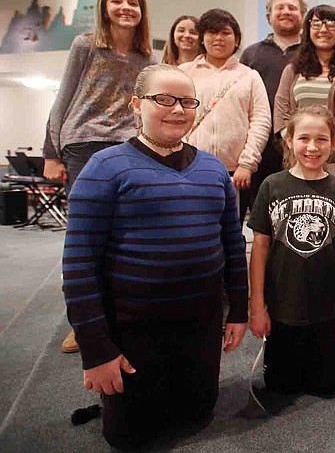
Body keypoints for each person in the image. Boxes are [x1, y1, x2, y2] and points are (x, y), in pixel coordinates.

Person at [61, 64, 248, 449]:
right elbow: (79, 268)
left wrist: (240, 311)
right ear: (136, 105)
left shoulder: (213, 170)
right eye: (163, 99)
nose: (177, 110)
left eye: (186, 101)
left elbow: (232, 246)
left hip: (200, 328)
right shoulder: (104, 169)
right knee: (130, 436)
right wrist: (96, 350)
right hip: (133, 333)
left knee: (198, 417)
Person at [43, 0, 156, 354]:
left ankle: (116, 315)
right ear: (105, 8)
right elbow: (63, 99)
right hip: (83, 143)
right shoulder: (85, 45)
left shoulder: (147, 59)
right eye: (117, 1)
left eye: (133, 2)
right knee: (84, 239)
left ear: (142, 12)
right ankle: (83, 324)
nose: (126, 8)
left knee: (123, 236)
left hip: (127, 147)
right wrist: (51, 152)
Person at [248, 105, 335, 395]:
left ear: (333, 142)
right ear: (289, 140)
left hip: (326, 309)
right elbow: (259, 249)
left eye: (322, 139)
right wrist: (257, 305)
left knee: (327, 386)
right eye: (304, 138)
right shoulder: (271, 186)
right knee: (280, 387)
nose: (312, 147)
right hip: (282, 307)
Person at [180, 8, 271, 226]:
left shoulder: (249, 76)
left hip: (234, 172)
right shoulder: (184, 72)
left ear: (236, 38)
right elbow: (174, 116)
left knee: (230, 232)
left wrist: (247, 164)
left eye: (225, 33)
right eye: (212, 32)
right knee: (189, 227)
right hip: (189, 166)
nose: (218, 38)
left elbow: (261, 120)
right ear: (202, 38)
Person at [273, 4, 335, 164]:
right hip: (299, 159)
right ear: (307, 30)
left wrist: (328, 145)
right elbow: (281, 114)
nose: (323, 29)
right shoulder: (292, 71)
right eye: (316, 23)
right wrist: (300, 146)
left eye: (330, 23)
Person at [241, 0, 308, 209]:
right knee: (263, 212)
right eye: (280, 7)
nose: (286, 12)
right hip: (261, 147)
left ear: (303, 16)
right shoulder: (251, 54)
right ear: (269, 16)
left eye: (292, 7)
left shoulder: (313, 53)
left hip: (304, 145)